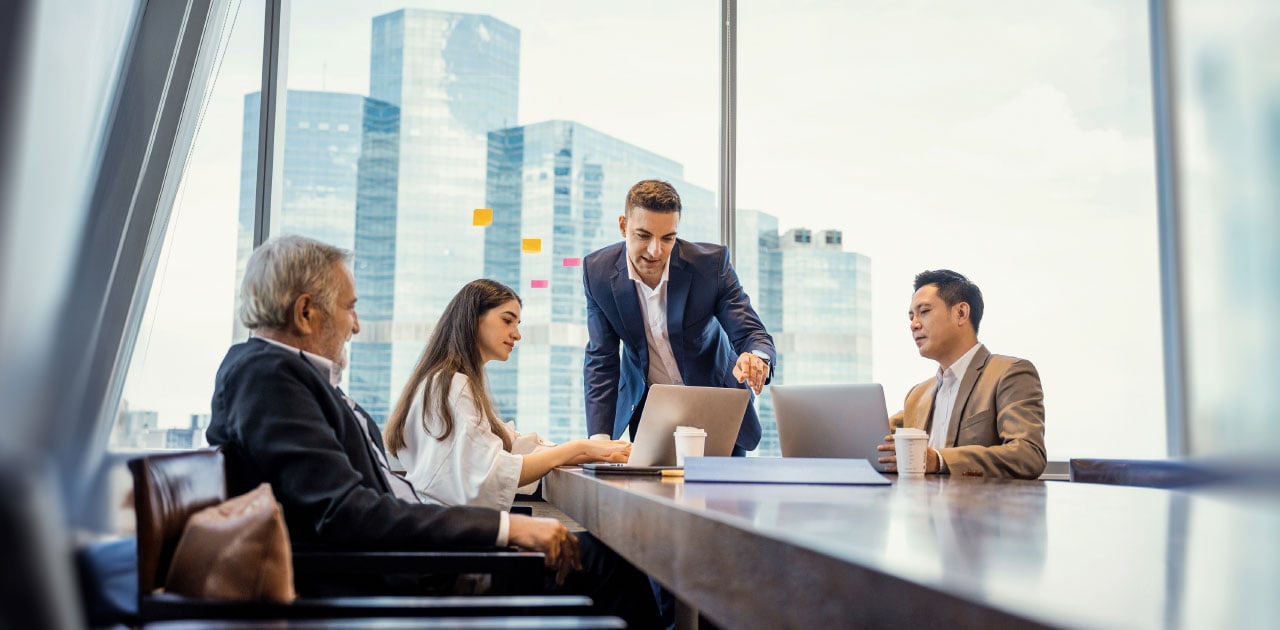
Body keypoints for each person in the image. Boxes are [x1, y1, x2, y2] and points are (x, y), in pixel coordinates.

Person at [207, 236, 659, 626]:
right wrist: (506, 529)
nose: (356, 325)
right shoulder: (268, 378)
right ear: (306, 313)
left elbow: (368, 501)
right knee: (613, 564)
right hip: (414, 572)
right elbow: (348, 511)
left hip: (417, 556)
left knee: (606, 557)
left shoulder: (282, 376)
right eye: (349, 309)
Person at [384, 278, 632, 511]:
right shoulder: (452, 386)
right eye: (507, 320)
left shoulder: (446, 382)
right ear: (473, 318)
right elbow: (493, 472)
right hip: (450, 535)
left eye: (517, 324)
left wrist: (595, 450)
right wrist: (578, 447)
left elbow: (510, 443)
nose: (517, 334)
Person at [582, 179, 776, 455]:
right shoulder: (597, 272)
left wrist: (757, 356)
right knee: (650, 495)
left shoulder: (711, 266)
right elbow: (602, 358)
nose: (655, 251)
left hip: (715, 408)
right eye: (644, 235)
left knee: (725, 497)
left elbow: (750, 333)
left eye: (667, 238)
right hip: (651, 412)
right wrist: (599, 439)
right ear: (623, 226)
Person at [877, 269, 1047, 479]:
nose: (914, 324)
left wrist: (939, 459)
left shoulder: (1010, 373)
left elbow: (1028, 454)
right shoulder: (917, 395)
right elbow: (876, 437)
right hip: (921, 509)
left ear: (961, 313)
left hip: (982, 509)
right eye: (911, 316)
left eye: (924, 311)